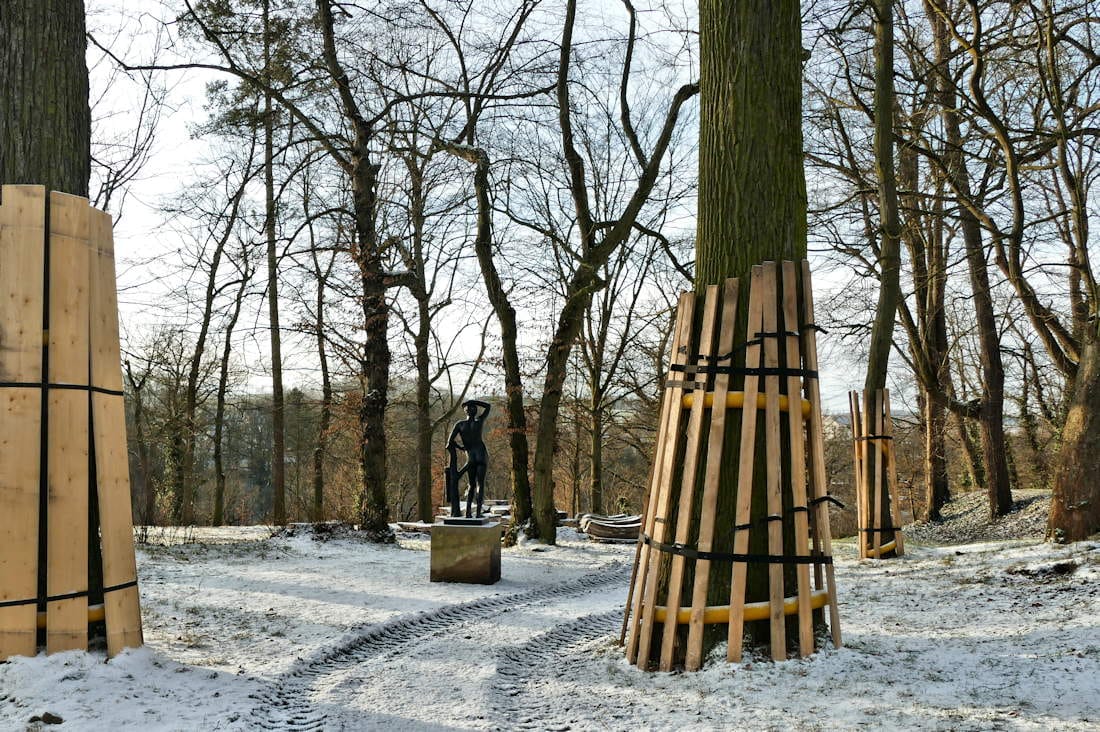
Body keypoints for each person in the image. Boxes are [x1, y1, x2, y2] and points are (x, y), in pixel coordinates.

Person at [446, 400, 491, 518]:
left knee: (471, 485)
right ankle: (478, 513)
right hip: (481, 454)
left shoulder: (460, 424)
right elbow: (488, 406)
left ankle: (468, 513)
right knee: (480, 484)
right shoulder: (479, 421)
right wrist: (474, 402)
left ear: (465, 410)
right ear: (475, 411)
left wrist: (461, 447)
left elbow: (449, 443)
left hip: (470, 456)